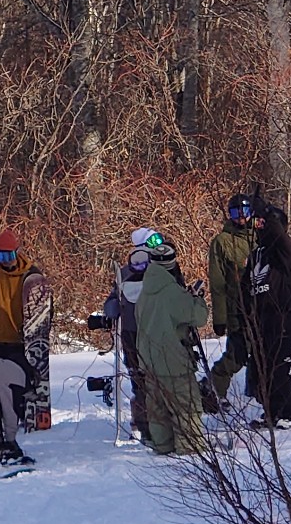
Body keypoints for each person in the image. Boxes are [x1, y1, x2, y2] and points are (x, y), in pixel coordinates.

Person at [239, 202, 291, 428]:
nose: (259, 226)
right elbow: (246, 287)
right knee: (262, 368)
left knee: (278, 367)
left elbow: (279, 235)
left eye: (263, 223)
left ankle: (290, 413)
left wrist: (267, 214)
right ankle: (272, 412)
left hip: (284, 314)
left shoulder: (285, 251)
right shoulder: (257, 254)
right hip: (262, 318)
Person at [133, 239, 209, 455]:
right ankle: (190, 449)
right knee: (187, 408)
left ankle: (163, 447)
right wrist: (197, 299)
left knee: (157, 410)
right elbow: (198, 317)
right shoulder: (171, 292)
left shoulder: (144, 293)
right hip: (173, 361)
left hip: (148, 361)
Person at [0, 229, 53, 430]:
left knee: (19, 384)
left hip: (19, 340)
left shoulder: (31, 276)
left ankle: (23, 417)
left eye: (8, 255)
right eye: (0, 255)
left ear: (17, 252)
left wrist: (35, 336)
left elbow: (42, 310)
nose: (5, 260)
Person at [95, 227, 158, 439]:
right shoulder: (125, 273)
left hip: (157, 332)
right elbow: (111, 302)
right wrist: (113, 308)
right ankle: (143, 422)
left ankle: (161, 420)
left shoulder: (163, 270)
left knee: (158, 377)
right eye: (151, 243)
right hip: (133, 333)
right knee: (139, 378)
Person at [205, 193, 258, 408]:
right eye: (235, 213)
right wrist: (220, 318)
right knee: (237, 353)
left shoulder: (260, 236)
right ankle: (212, 389)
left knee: (262, 352)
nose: (241, 218)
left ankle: (257, 392)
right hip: (237, 307)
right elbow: (217, 283)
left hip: (261, 307)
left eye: (244, 212)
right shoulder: (222, 241)